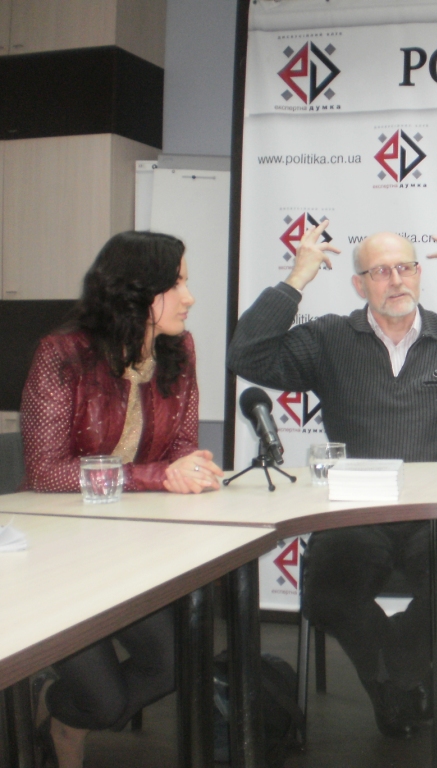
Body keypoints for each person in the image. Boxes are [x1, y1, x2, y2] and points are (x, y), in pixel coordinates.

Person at [227, 221, 437, 737]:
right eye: (380, 272)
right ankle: (404, 679)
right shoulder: (328, 338)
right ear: (359, 284)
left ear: (420, 274)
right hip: (357, 513)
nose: (396, 280)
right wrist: (296, 279)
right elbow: (246, 356)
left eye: (405, 268)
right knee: (327, 593)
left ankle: (392, 678)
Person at [20, 231, 224, 767]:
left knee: (178, 664)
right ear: (137, 292)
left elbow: (180, 446)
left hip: (128, 549)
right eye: (176, 284)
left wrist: (191, 470)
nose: (189, 297)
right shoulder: (62, 354)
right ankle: (56, 707)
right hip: (58, 556)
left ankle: (63, 713)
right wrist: (157, 476)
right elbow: (46, 473)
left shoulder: (179, 348)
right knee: (106, 702)